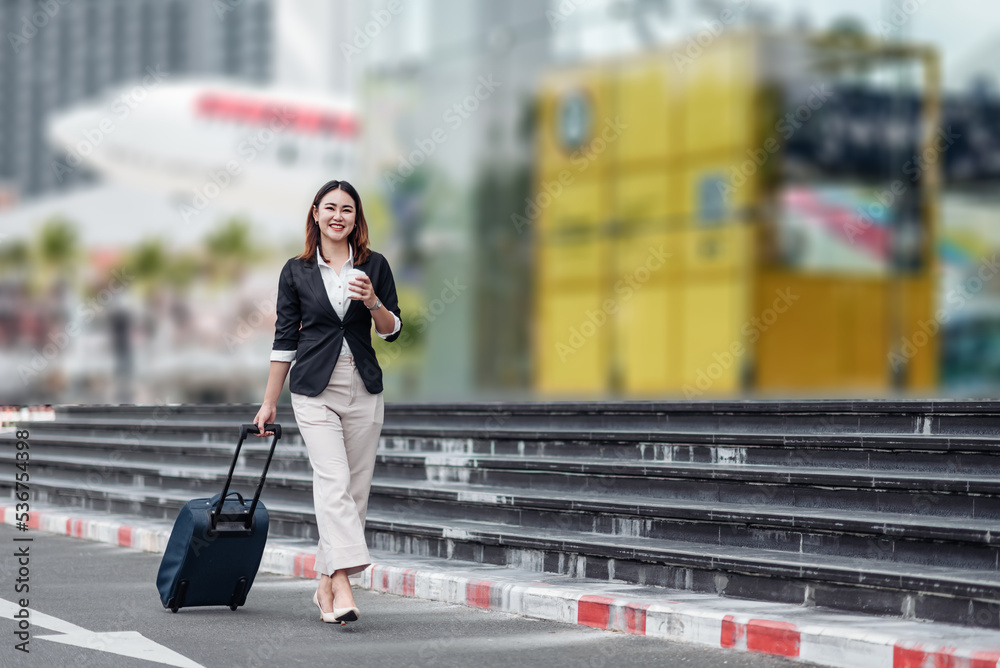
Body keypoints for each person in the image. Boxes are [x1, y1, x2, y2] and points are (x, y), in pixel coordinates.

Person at [253, 179, 402, 625]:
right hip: (313, 388)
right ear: (316, 212)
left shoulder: (374, 266)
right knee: (333, 480)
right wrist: (268, 402)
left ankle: (324, 585)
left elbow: (393, 330)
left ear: (357, 219)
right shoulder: (295, 271)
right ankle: (343, 582)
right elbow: (283, 341)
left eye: (348, 210)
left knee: (354, 492)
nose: (339, 216)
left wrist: (374, 302)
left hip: (363, 385)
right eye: (331, 208)